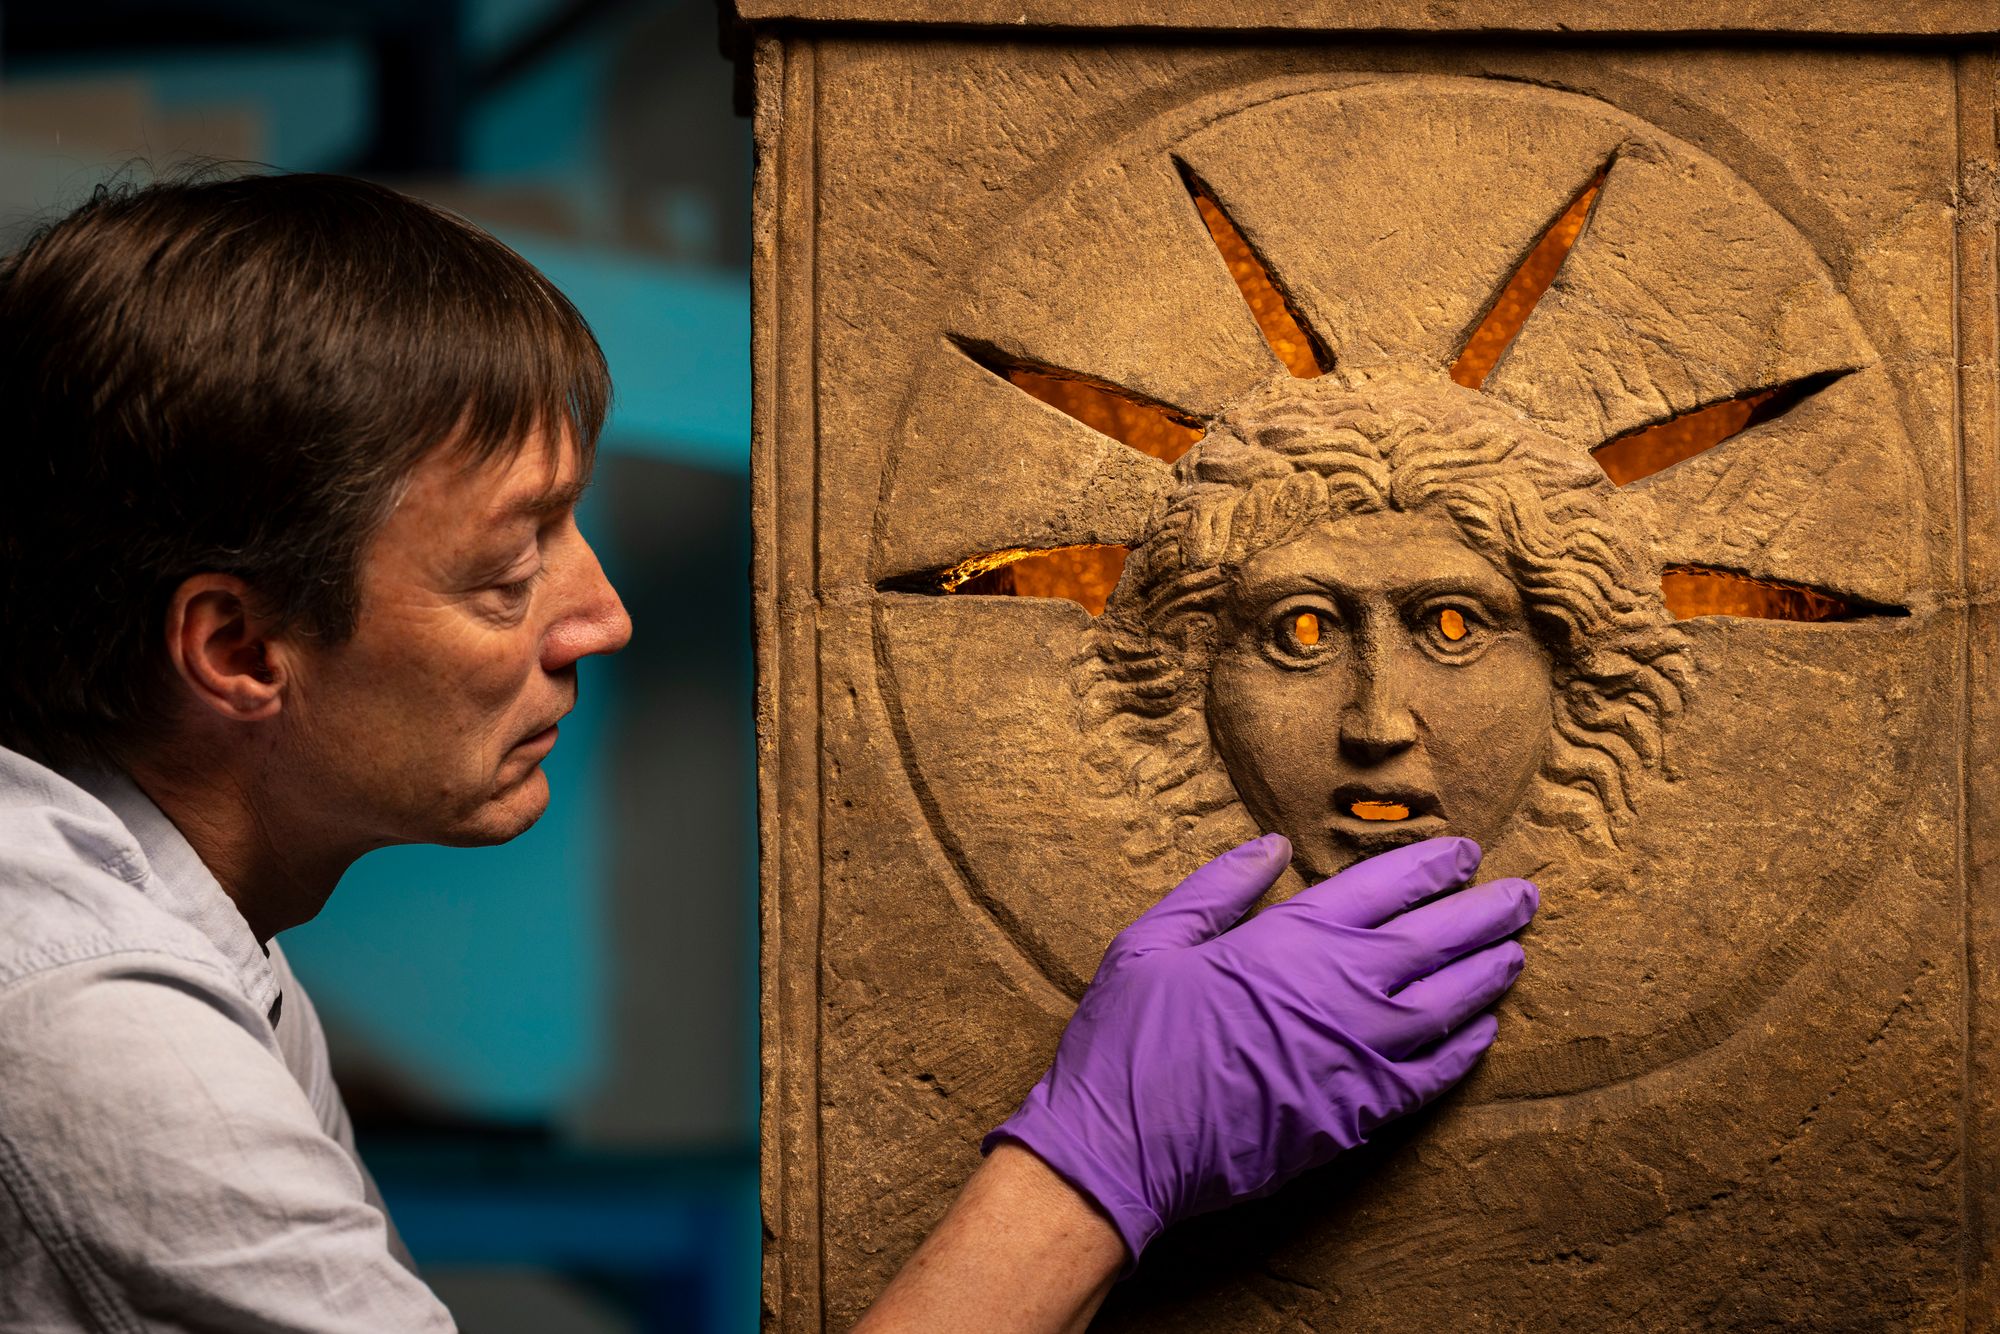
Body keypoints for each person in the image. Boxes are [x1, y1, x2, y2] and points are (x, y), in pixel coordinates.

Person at [0, 171, 1537, 1332]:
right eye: (506, 567)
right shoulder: (88, 1033)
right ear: (236, 648)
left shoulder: (191, 927)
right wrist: (1100, 1159)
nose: (595, 617)